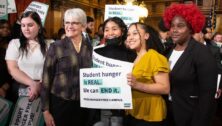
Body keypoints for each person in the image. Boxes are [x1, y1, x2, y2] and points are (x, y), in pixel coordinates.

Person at [163, 4, 217, 126]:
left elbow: (207, 97)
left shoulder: (202, 53)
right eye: (172, 26)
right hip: (167, 114)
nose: (174, 30)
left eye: (180, 26)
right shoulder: (167, 51)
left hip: (189, 116)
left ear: (191, 28)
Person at [40, 8, 92, 126]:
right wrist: (45, 111)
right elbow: (46, 79)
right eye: (67, 22)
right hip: (60, 104)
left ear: (83, 26)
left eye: (74, 23)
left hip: (83, 105)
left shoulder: (90, 47)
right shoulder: (56, 47)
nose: (69, 26)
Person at [124, 22, 170, 126]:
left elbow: (165, 88)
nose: (130, 37)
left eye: (135, 33)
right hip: (134, 112)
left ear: (146, 36)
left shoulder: (154, 56)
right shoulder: (134, 58)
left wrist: (137, 85)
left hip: (150, 115)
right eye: (128, 34)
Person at [93, 17, 136, 126]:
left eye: (114, 29)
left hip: (122, 107)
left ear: (122, 31)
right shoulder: (96, 52)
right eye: (106, 30)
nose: (110, 33)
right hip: (102, 104)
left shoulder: (131, 52)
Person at [5, 11, 47, 103]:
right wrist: (32, 84)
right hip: (19, 88)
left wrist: (40, 85)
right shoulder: (15, 43)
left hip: (44, 88)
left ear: (39, 26)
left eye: (30, 25)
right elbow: (12, 69)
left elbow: (53, 68)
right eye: (23, 25)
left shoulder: (50, 44)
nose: (26, 29)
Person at [0, 19, 12, 99]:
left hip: (7, 82)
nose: (5, 29)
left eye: (7, 28)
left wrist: (7, 83)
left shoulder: (11, 44)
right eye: (2, 27)